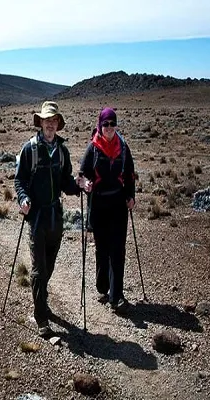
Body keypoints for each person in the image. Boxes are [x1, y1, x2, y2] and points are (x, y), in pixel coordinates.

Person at [15, 101, 85, 336]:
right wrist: (23, 199)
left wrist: (78, 185)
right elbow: (20, 180)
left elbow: (66, 182)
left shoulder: (62, 152)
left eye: (53, 121)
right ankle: (41, 317)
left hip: (56, 217)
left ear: (58, 124)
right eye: (46, 121)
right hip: (36, 218)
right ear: (41, 123)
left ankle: (41, 300)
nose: (50, 125)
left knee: (50, 265)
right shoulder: (30, 149)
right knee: (38, 269)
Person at [79, 107, 136, 311]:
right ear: (100, 125)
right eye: (106, 124)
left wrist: (131, 196)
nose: (109, 127)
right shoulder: (93, 148)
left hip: (119, 204)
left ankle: (116, 295)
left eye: (113, 123)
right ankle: (102, 286)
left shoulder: (123, 146)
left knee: (118, 250)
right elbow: (82, 174)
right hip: (99, 205)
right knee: (102, 249)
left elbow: (129, 175)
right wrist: (85, 184)